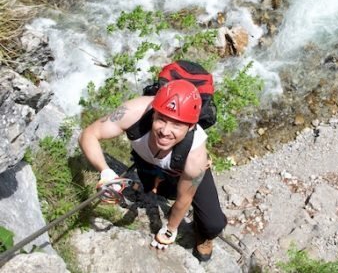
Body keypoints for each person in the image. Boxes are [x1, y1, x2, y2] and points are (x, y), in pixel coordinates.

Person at [78, 66, 227, 262]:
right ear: (154, 112)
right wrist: (105, 172)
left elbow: (184, 199)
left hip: (180, 167)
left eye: (177, 124)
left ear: (191, 126)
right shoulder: (133, 113)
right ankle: (156, 183)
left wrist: (170, 229)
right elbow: (89, 134)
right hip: (147, 161)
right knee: (158, 192)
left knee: (213, 224)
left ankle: (204, 235)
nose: (165, 131)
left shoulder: (195, 156)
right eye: (161, 119)